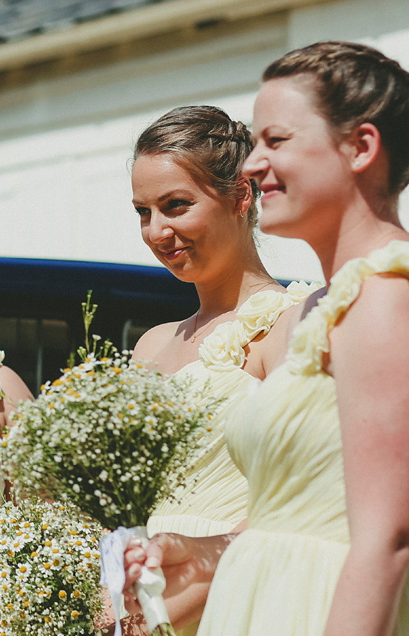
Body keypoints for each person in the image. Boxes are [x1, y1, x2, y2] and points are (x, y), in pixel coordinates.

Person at [124, 41, 409, 636]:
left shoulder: (387, 294)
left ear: (362, 148)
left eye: (275, 141)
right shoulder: (320, 307)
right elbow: (301, 509)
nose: (253, 166)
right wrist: (200, 552)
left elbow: (389, 538)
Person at [127, 105, 319, 632]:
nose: (157, 231)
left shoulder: (293, 324)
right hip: (136, 588)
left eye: (176, 205)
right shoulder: (151, 345)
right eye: (144, 212)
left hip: (233, 592)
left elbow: (297, 493)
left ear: (241, 196)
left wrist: (171, 609)